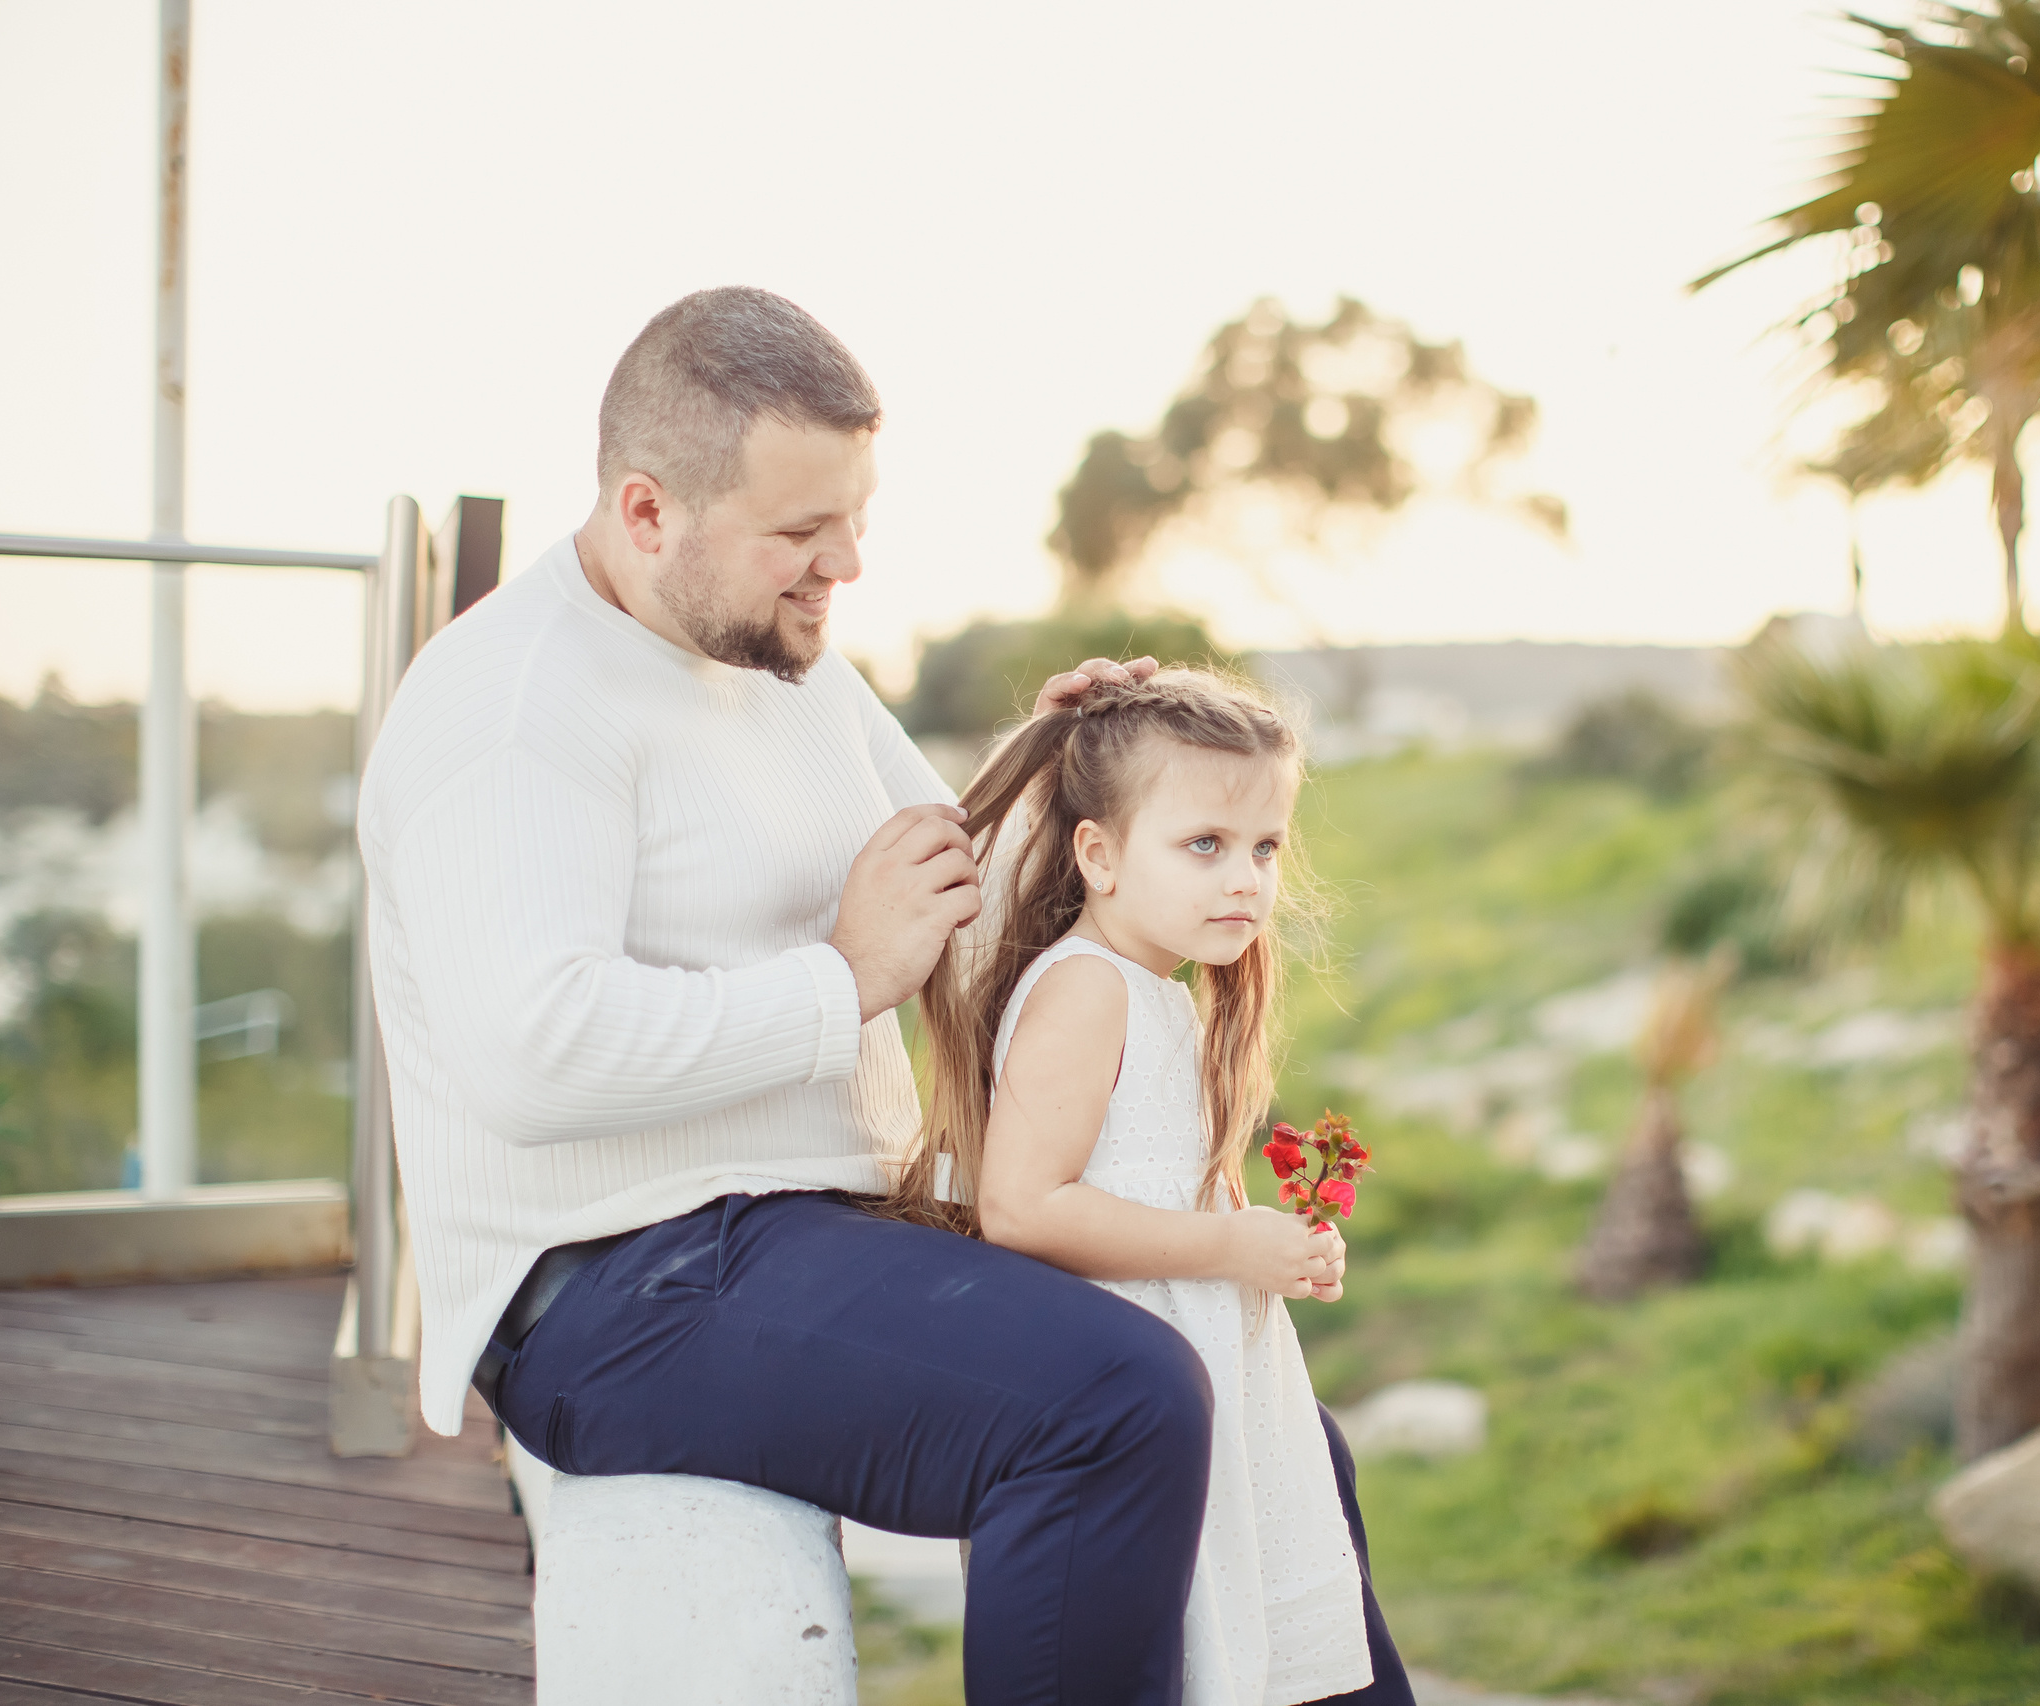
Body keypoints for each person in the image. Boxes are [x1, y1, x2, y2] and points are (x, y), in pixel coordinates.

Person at [357, 286, 1352, 1705]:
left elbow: (953, 887)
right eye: (803, 534)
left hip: (800, 1230)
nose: (849, 566)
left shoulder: (776, 653)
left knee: (1271, 1425)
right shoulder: (510, 709)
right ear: (647, 512)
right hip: (609, 1285)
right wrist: (840, 984)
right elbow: (533, 1053)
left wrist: (1073, 773)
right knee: (1117, 1408)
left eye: (856, 518)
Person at [881, 668, 1414, 1706]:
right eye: (1204, 844)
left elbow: (1179, 1195)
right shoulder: (1085, 988)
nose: (1246, 880)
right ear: (1101, 854)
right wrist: (1231, 1247)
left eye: (1264, 847)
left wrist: (1276, 1246)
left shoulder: (1164, 996)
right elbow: (1021, 1206)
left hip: (1200, 1366)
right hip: (1125, 1386)